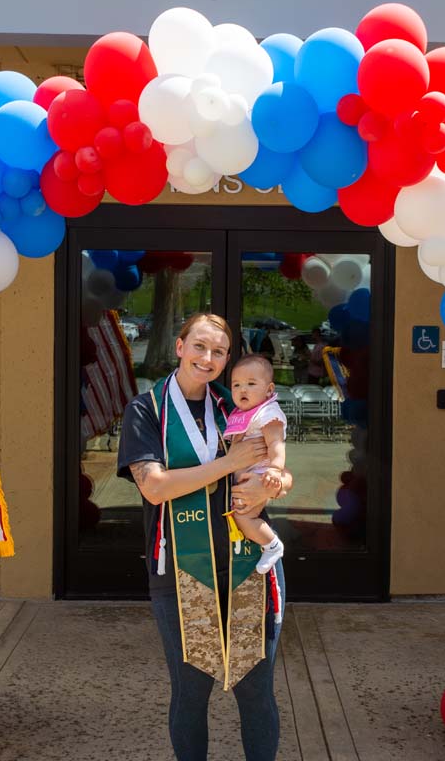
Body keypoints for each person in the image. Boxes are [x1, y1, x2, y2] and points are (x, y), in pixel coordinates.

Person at [117, 313, 292, 761]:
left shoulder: (236, 403)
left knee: (255, 692)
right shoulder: (146, 409)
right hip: (182, 572)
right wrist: (229, 464)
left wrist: (274, 485)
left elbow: (279, 467)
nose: (207, 358)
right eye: (199, 346)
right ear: (179, 347)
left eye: (218, 352)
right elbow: (154, 487)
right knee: (192, 692)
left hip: (247, 565)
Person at [222, 354, 286, 574]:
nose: (243, 390)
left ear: (269, 389)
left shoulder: (268, 413)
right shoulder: (242, 413)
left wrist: (275, 470)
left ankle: (272, 545)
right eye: (236, 385)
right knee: (238, 514)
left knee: (243, 516)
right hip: (246, 476)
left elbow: (276, 443)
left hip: (260, 475)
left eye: (251, 384)